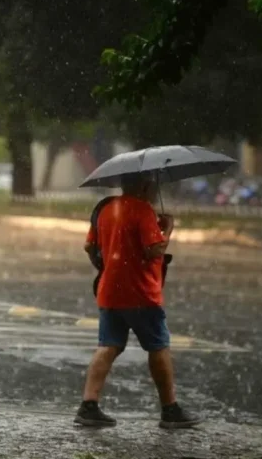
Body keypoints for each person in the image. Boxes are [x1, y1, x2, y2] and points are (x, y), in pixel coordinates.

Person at [75, 172, 202, 429]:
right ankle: (170, 409)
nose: (155, 189)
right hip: (141, 294)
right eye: (153, 185)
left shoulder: (105, 208)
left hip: (110, 291)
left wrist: (108, 266)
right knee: (158, 347)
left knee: (108, 346)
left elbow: (90, 247)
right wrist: (167, 229)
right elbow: (154, 249)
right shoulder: (143, 210)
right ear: (144, 185)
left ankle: (89, 406)